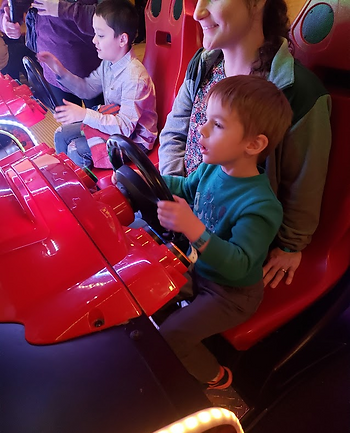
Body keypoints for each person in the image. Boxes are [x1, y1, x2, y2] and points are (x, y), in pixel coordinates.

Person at [158, 0, 332, 289]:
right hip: (187, 211)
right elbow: (174, 134)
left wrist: (291, 245)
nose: (198, 12)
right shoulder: (203, 63)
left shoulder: (298, 91)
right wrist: (177, 193)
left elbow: (305, 182)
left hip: (230, 239)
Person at [156, 75, 293, 389]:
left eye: (217, 125)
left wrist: (193, 228)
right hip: (200, 269)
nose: (201, 130)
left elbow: (240, 263)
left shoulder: (261, 206)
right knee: (149, 284)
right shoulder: (211, 167)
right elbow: (187, 189)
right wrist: (149, 178)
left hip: (231, 294)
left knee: (172, 337)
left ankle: (217, 378)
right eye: (206, 119)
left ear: (253, 144)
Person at [37, 0, 157, 169]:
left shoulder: (134, 77)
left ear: (122, 39)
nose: (94, 40)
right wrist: (60, 71)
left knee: (76, 150)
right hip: (114, 123)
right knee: (61, 134)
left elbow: (124, 128)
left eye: (100, 35)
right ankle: (68, 179)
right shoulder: (108, 64)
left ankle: (86, 190)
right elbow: (87, 89)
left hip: (135, 141)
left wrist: (84, 114)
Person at [0, 0, 102, 106]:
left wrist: (66, 9)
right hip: (53, 67)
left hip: (95, 63)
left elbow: (114, 14)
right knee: (69, 119)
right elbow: (13, 6)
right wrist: (6, 22)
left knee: (102, 117)